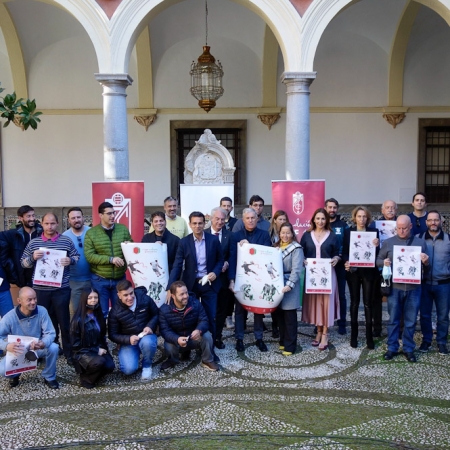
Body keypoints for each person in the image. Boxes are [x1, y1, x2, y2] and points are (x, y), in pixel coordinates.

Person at [21, 213, 79, 364]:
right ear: (42, 224)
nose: (50, 227)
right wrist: (32, 258)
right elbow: (23, 263)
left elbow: (76, 257)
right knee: (42, 322)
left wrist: (70, 260)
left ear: (57, 224)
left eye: (52, 223)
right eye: (46, 224)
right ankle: (46, 350)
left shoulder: (66, 241)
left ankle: (68, 352)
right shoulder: (34, 243)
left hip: (61, 289)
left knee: (64, 321)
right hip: (40, 290)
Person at [167, 211, 223, 349]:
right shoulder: (184, 242)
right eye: (194, 223)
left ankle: (211, 346)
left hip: (209, 284)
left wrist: (215, 272)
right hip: (190, 285)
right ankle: (192, 345)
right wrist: (170, 288)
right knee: (190, 315)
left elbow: (220, 260)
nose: (197, 226)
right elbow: (177, 265)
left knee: (211, 316)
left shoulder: (213, 240)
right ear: (190, 225)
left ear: (205, 224)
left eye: (200, 223)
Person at [376, 215, 429, 363]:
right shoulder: (388, 243)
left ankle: (408, 348)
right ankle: (392, 347)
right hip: (395, 288)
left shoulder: (420, 243)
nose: (401, 231)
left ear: (410, 227)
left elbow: (427, 267)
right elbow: (377, 260)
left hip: (414, 288)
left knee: (411, 320)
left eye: (404, 228)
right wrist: (384, 262)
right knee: (393, 319)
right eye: (398, 228)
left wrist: (426, 261)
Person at [229, 208, 272, 352]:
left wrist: (250, 247)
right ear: (243, 219)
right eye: (247, 218)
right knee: (240, 310)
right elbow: (232, 259)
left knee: (258, 310)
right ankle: (239, 338)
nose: (251, 220)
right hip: (242, 279)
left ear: (257, 219)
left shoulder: (264, 235)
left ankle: (259, 337)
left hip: (259, 278)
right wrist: (231, 280)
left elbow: (267, 256)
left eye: (253, 218)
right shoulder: (235, 236)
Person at [0, 287, 59, 389]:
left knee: (54, 347)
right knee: (2, 370)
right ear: (19, 301)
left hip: (37, 348)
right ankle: (16, 374)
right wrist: (7, 346)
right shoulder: (9, 317)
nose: (33, 302)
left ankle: (49, 376)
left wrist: (42, 343)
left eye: (35, 298)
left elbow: (50, 333)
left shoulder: (42, 311)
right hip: (18, 350)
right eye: (29, 300)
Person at [300, 208, 340, 351]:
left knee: (326, 304)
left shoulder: (332, 236)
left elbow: (337, 253)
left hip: (327, 274)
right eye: (318, 218)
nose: (320, 221)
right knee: (317, 303)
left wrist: (336, 258)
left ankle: (325, 334)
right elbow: (301, 252)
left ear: (326, 220)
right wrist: (303, 260)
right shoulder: (306, 235)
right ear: (313, 220)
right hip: (312, 275)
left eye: (323, 219)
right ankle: (317, 332)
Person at [84, 202, 132, 318]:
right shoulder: (91, 233)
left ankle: (118, 336)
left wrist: (129, 245)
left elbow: (132, 246)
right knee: (102, 312)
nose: (112, 216)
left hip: (119, 279)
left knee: (120, 312)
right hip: (100, 279)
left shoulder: (123, 229)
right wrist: (111, 259)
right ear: (100, 215)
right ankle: (101, 336)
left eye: (113, 213)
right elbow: (89, 256)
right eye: (109, 213)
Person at [159, 281, 218, 371]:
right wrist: (177, 339)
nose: (186, 296)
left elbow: (204, 320)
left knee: (207, 336)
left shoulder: (195, 303)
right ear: (173, 296)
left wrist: (199, 330)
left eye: (186, 292)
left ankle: (207, 360)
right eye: (181, 294)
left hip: (193, 338)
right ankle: (173, 360)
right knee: (168, 345)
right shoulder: (164, 310)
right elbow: (164, 331)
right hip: (177, 340)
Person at [343, 206, 380, 349]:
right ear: (354, 218)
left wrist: (377, 245)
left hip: (369, 272)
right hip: (353, 272)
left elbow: (377, 253)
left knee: (368, 304)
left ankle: (369, 337)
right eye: (359, 216)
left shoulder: (373, 232)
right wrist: (347, 262)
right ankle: (354, 335)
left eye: (364, 216)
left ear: (368, 218)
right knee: (354, 303)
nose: (362, 219)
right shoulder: (349, 232)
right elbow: (345, 252)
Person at [108, 280, 159, 379]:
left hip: (146, 335)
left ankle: (147, 365)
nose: (130, 297)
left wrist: (150, 326)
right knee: (128, 370)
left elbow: (156, 314)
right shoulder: (115, 312)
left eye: (131, 293)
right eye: (125, 295)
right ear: (119, 295)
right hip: (129, 342)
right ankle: (135, 353)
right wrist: (128, 339)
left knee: (148, 343)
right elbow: (112, 334)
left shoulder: (145, 299)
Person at [417, 211, 450, 355]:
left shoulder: (449, 239)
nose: (433, 223)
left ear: (441, 222)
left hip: (444, 284)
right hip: (424, 283)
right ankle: (427, 340)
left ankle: (442, 342)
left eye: (436, 220)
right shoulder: (419, 239)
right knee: (425, 315)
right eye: (430, 220)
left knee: (443, 316)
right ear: (426, 222)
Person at [70, 288, 115, 388]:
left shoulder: (99, 316)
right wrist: (96, 350)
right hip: (83, 352)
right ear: (84, 300)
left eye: (95, 297)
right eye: (89, 298)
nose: (93, 300)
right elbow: (75, 346)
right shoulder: (77, 320)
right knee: (99, 362)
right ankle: (86, 379)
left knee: (110, 366)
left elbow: (101, 336)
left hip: (98, 348)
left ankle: (94, 373)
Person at [273, 223, 304, 355]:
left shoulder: (297, 248)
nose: (285, 235)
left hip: (289, 284)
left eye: (288, 233)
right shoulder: (275, 247)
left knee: (289, 317)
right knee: (279, 316)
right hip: (277, 284)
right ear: (279, 234)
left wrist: (289, 285)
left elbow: (297, 269)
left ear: (292, 234)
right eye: (282, 232)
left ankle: (290, 346)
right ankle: (283, 341)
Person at [205, 207, 233, 349]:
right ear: (211, 219)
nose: (220, 222)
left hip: (223, 280)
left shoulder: (230, 235)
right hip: (207, 280)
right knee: (207, 310)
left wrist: (227, 262)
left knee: (221, 310)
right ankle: (207, 337)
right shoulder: (203, 234)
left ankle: (217, 337)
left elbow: (232, 256)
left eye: (223, 219)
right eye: (217, 219)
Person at [0, 205, 43, 288]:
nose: (32, 218)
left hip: (41, 277)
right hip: (23, 279)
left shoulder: (42, 232)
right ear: (20, 218)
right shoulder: (13, 234)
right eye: (28, 216)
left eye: (33, 215)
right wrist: (8, 264)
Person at [325, 198, 349, 335]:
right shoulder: (321, 224)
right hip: (323, 267)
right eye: (329, 207)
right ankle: (321, 323)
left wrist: (341, 258)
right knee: (322, 296)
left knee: (341, 296)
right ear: (325, 208)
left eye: (334, 207)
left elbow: (346, 245)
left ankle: (342, 323)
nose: (332, 210)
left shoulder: (343, 226)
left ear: (337, 209)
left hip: (339, 266)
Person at [63, 207, 91, 317]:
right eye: (73, 218)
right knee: (74, 311)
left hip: (93, 278)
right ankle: (75, 333)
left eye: (78, 217)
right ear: (69, 220)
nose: (76, 220)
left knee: (92, 310)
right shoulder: (64, 236)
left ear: (83, 218)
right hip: (73, 281)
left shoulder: (92, 232)